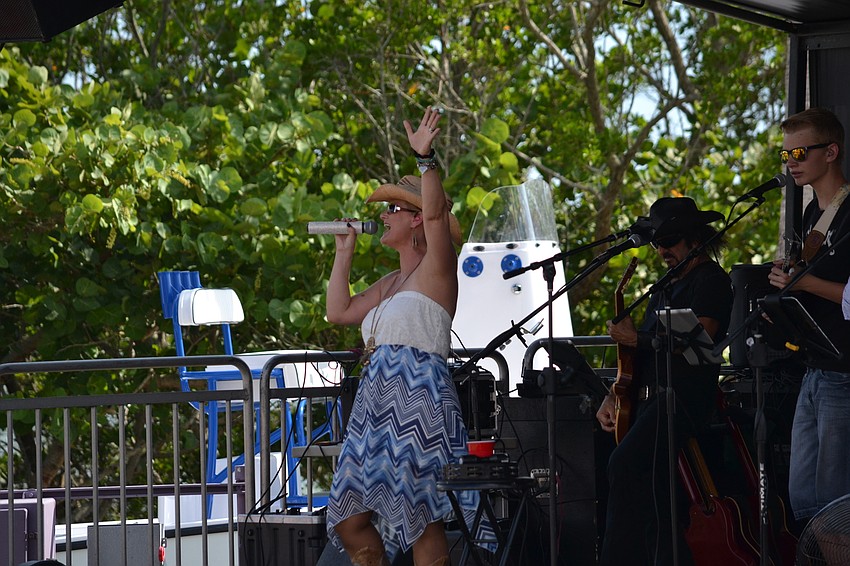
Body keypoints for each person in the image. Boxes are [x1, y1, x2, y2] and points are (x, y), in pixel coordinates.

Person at [324, 107, 482, 566]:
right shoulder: (389, 284)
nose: (386, 215)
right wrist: (344, 254)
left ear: (414, 220)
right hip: (376, 403)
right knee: (349, 516)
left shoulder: (436, 269)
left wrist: (426, 159)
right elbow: (340, 311)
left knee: (422, 517)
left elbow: (437, 217)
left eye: (395, 208)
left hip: (418, 398)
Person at [595, 196, 733, 566]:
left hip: (686, 398)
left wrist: (635, 339)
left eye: (669, 241)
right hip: (651, 399)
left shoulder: (712, 280)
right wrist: (613, 394)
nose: (661, 250)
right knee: (649, 486)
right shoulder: (664, 286)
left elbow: (700, 339)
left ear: (694, 239)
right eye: (657, 242)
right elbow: (639, 352)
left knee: (623, 465)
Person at [767, 107, 850, 523]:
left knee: (836, 507)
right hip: (815, 366)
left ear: (831, 151)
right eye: (785, 156)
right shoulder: (810, 214)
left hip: (845, 368)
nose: (791, 163)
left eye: (799, 152)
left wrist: (805, 283)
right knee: (804, 501)